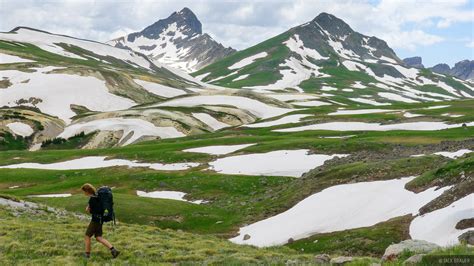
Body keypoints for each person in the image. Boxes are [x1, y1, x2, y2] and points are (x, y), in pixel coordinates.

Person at [81, 183, 120, 259]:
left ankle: (87, 255)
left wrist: (89, 209)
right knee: (98, 237)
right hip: (100, 220)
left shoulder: (92, 199)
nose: (84, 193)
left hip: (95, 220)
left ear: (87, 191)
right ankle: (114, 250)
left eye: (84, 191)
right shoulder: (97, 196)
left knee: (87, 236)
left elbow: (93, 211)